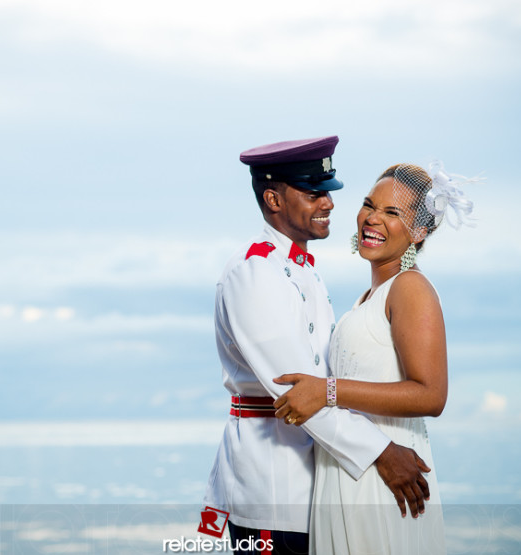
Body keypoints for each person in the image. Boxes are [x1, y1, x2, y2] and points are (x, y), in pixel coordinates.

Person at [202, 138, 433, 555]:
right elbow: (298, 390)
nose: (328, 203)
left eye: (328, 192)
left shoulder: (303, 269)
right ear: (274, 198)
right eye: (313, 194)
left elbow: (324, 383)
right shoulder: (255, 273)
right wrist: (381, 450)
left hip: (321, 482)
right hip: (276, 487)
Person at [272, 162, 477, 553]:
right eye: (369, 204)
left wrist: (327, 391)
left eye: (392, 212)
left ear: (419, 231)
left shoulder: (410, 289)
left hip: (385, 479)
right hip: (350, 470)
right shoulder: (367, 298)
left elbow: (431, 395)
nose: (372, 218)